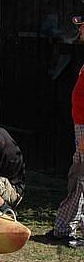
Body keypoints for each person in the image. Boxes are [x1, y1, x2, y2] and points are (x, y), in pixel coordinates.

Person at [46, 66, 84, 247]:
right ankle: (66, 227)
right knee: (77, 178)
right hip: (80, 126)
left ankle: (64, 229)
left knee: (79, 180)